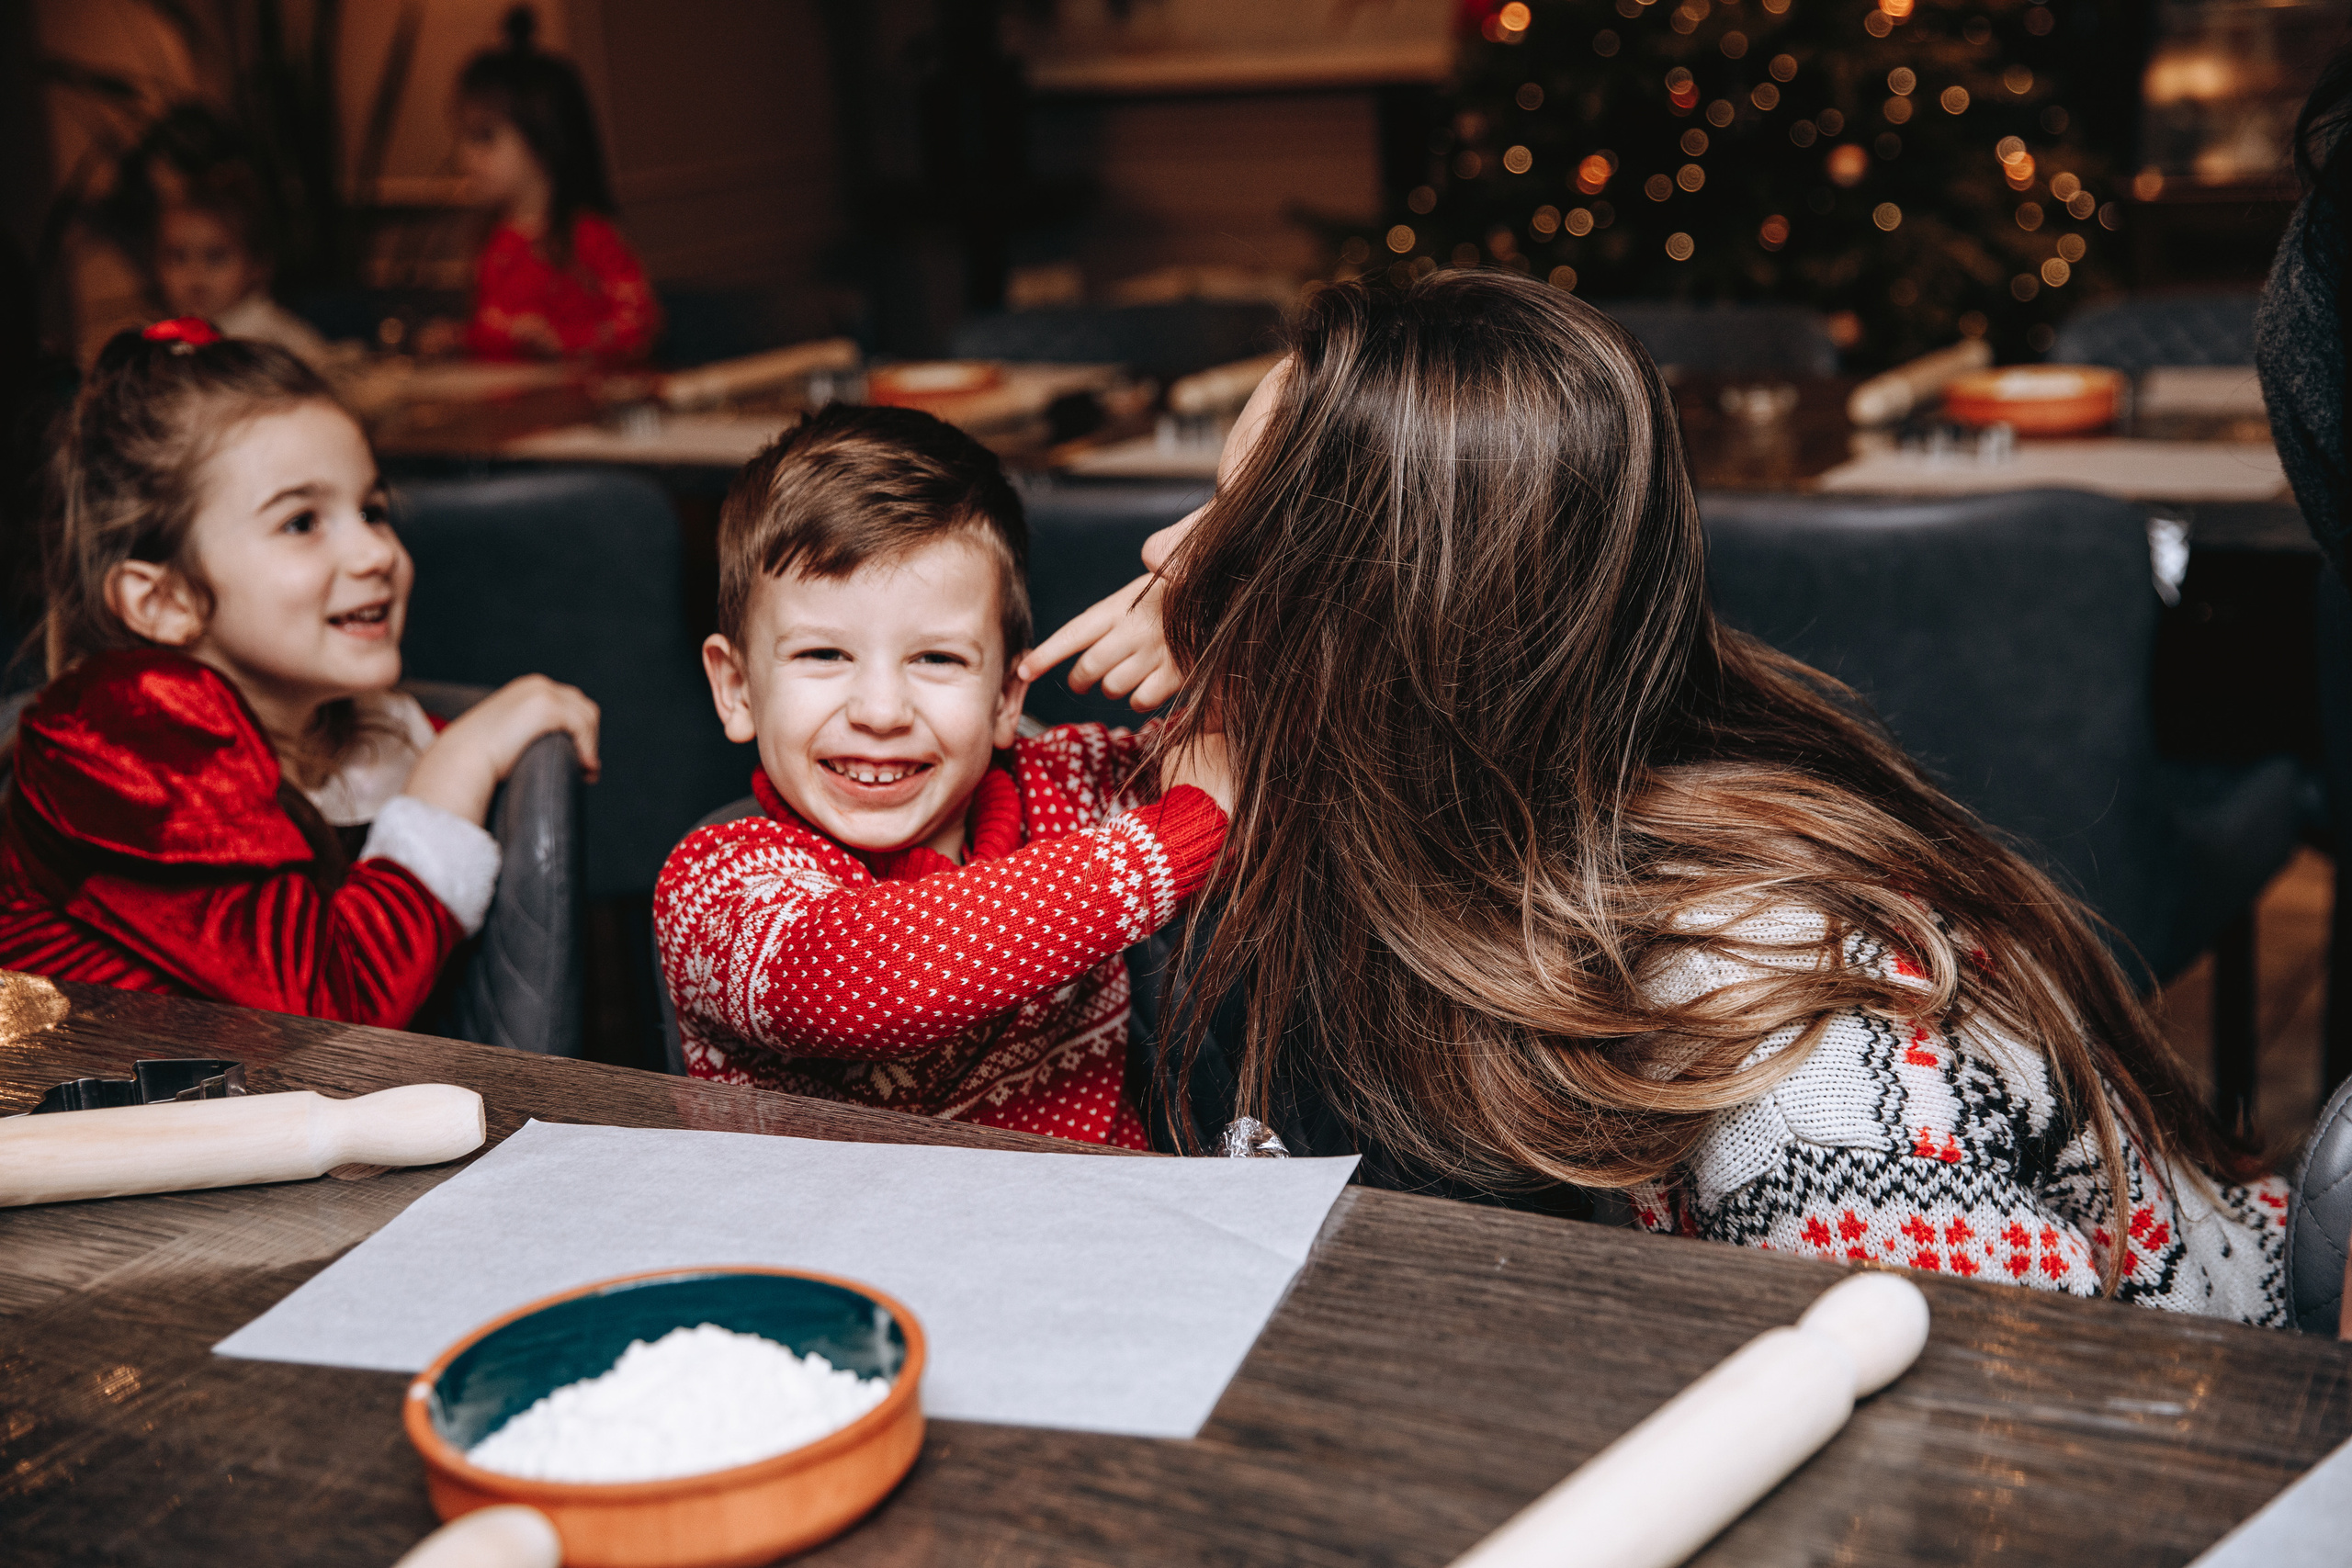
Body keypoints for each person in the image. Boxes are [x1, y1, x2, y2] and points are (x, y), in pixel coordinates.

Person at [1054, 272, 2290, 1323]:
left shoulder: (1778, 1038)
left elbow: (2012, 1449)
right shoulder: (1445, 816)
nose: (1164, 557)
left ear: (1377, 620)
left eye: (1231, 518)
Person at [653, 403, 1229, 1147]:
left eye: (937, 658)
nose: (882, 709)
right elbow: (868, 978)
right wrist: (1176, 836)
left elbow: (1292, 753)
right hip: (838, 1258)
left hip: (1089, 1240)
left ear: (1005, 698)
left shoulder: (1076, 785)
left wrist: (1220, 609)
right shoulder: (715, 887)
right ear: (736, 688)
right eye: (823, 655)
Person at [0, 320, 600, 1026]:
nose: (375, 551)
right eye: (301, 522)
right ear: (163, 601)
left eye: (371, 510)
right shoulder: (120, 729)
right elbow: (326, 1010)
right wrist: (462, 759)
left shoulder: (361, 729)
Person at [429, 7, 659, 363]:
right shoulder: (494, 240)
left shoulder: (589, 237)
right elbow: (500, 334)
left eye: (484, 138)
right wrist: (462, 338)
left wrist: (563, 341)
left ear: (543, 142)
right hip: (512, 413)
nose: (466, 156)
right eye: (464, 138)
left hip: (583, 409)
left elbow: (641, 326)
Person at [150, 164, 332, 366]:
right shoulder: (169, 338)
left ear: (258, 265)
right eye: (177, 257)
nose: (195, 272)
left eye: (215, 256)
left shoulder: (268, 338)